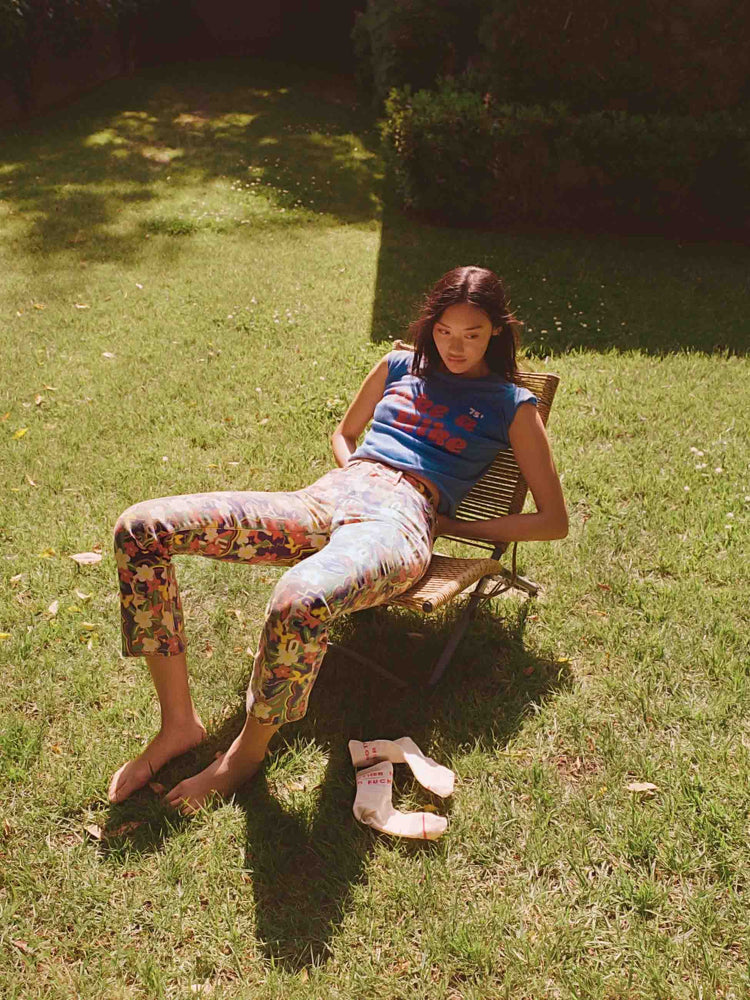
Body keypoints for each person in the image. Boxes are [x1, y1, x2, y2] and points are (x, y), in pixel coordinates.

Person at [109, 266, 568, 813]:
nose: (456, 346)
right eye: (445, 331)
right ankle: (178, 724)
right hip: (331, 494)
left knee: (298, 598)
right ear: (431, 324)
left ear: (496, 329)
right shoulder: (398, 364)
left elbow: (552, 520)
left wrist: (447, 525)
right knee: (141, 529)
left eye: (472, 333)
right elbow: (344, 433)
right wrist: (354, 480)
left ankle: (245, 755)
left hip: (400, 520)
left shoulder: (511, 403)